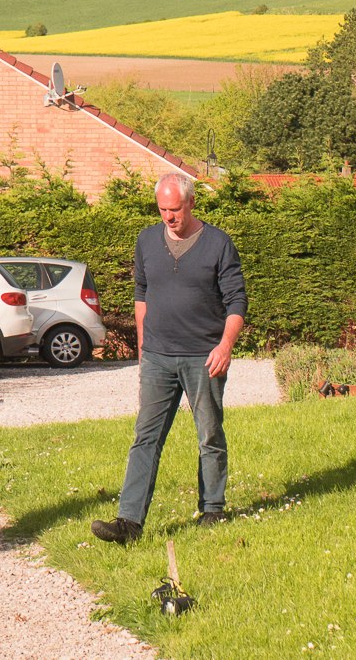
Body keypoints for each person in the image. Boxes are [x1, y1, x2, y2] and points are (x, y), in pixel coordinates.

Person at [91, 172, 247, 544]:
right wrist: (144, 351)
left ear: (191, 203)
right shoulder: (146, 240)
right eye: (162, 210)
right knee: (145, 437)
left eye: (174, 209)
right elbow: (142, 294)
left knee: (209, 434)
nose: (168, 217)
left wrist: (224, 346)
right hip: (158, 358)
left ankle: (212, 510)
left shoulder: (218, 244)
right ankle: (129, 523)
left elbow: (237, 302)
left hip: (203, 356)